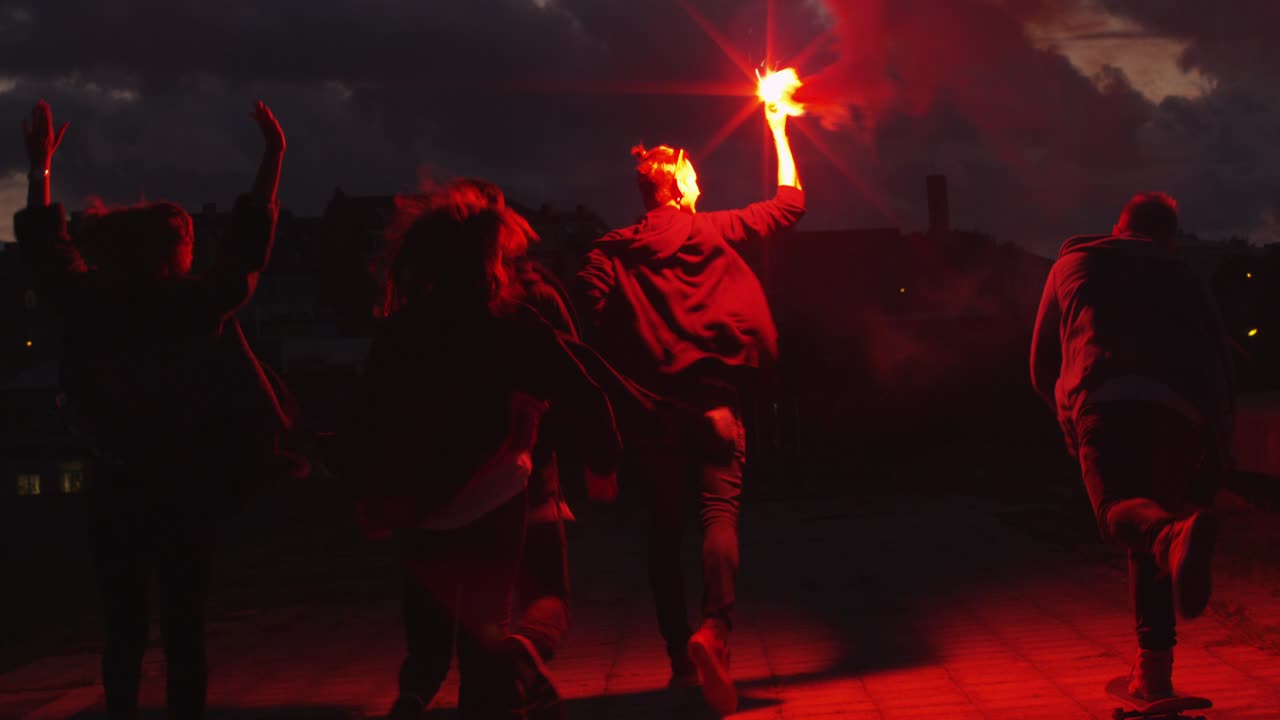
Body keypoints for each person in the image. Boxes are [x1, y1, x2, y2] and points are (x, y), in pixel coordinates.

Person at [15, 99, 291, 720]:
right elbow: (247, 251)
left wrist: (40, 170)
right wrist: (273, 156)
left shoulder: (90, 303)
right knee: (184, 629)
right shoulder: (194, 307)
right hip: (185, 488)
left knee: (123, 628)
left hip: (114, 484)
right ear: (174, 251)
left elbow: (47, 252)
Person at [337, 180, 621, 720]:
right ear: (491, 254)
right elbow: (584, 389)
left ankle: (413, 698)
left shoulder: (402, 331)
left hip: (422, 505)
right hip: (496, 495)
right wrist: (603, 458)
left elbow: (367, 416)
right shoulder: (512, 322)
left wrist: (363, 494)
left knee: (427, 635)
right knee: (485, 631)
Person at [575, 102, 805, 715]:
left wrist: (632, 351)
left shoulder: (611, 250)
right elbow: (789, 205)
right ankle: (715, 630)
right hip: (714, 403)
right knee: (718, 514)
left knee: (662, 530)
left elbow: (585, 314)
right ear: (676, 186)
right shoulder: (711, 230)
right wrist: (779, 130)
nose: (701, 183)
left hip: (653, 411)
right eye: (694, 176)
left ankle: (680, 656)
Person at [1030, 192, 1237, 701]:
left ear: (1117, 228)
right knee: (1149, 519)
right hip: (1182, 412)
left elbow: (1039, 364)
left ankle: (1170, 534)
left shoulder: (1071, 264)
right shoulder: (1184, 274)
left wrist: (1067, 414)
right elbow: (1222, 365)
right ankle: (1153, 673)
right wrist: (1218, 449)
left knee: (1120, 516)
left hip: (1107, 400)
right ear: (1170, 239)